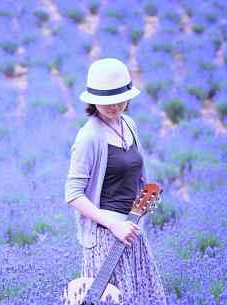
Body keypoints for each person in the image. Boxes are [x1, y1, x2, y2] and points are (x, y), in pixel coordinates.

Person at [64, 58, 167, 304]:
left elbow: (138, 175)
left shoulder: (128, 125)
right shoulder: (89, 136)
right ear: (93, 100)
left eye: (118, 99)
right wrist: (113, 225)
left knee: (143, 298)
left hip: (131, 231)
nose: (113, 106)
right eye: (105, 101)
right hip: (105, 237)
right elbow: (73, 193)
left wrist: (143, 206)